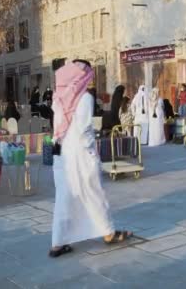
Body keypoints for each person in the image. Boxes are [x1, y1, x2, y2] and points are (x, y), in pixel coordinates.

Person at [49, 59, 132, 258]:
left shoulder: (59, 95)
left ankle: (57, 243)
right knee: (93, 191)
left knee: (64, 197)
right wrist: (91, 153)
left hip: (62, 150)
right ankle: (108, 232)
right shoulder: (84, 97)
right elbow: (84, 129)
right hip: (80, 152)